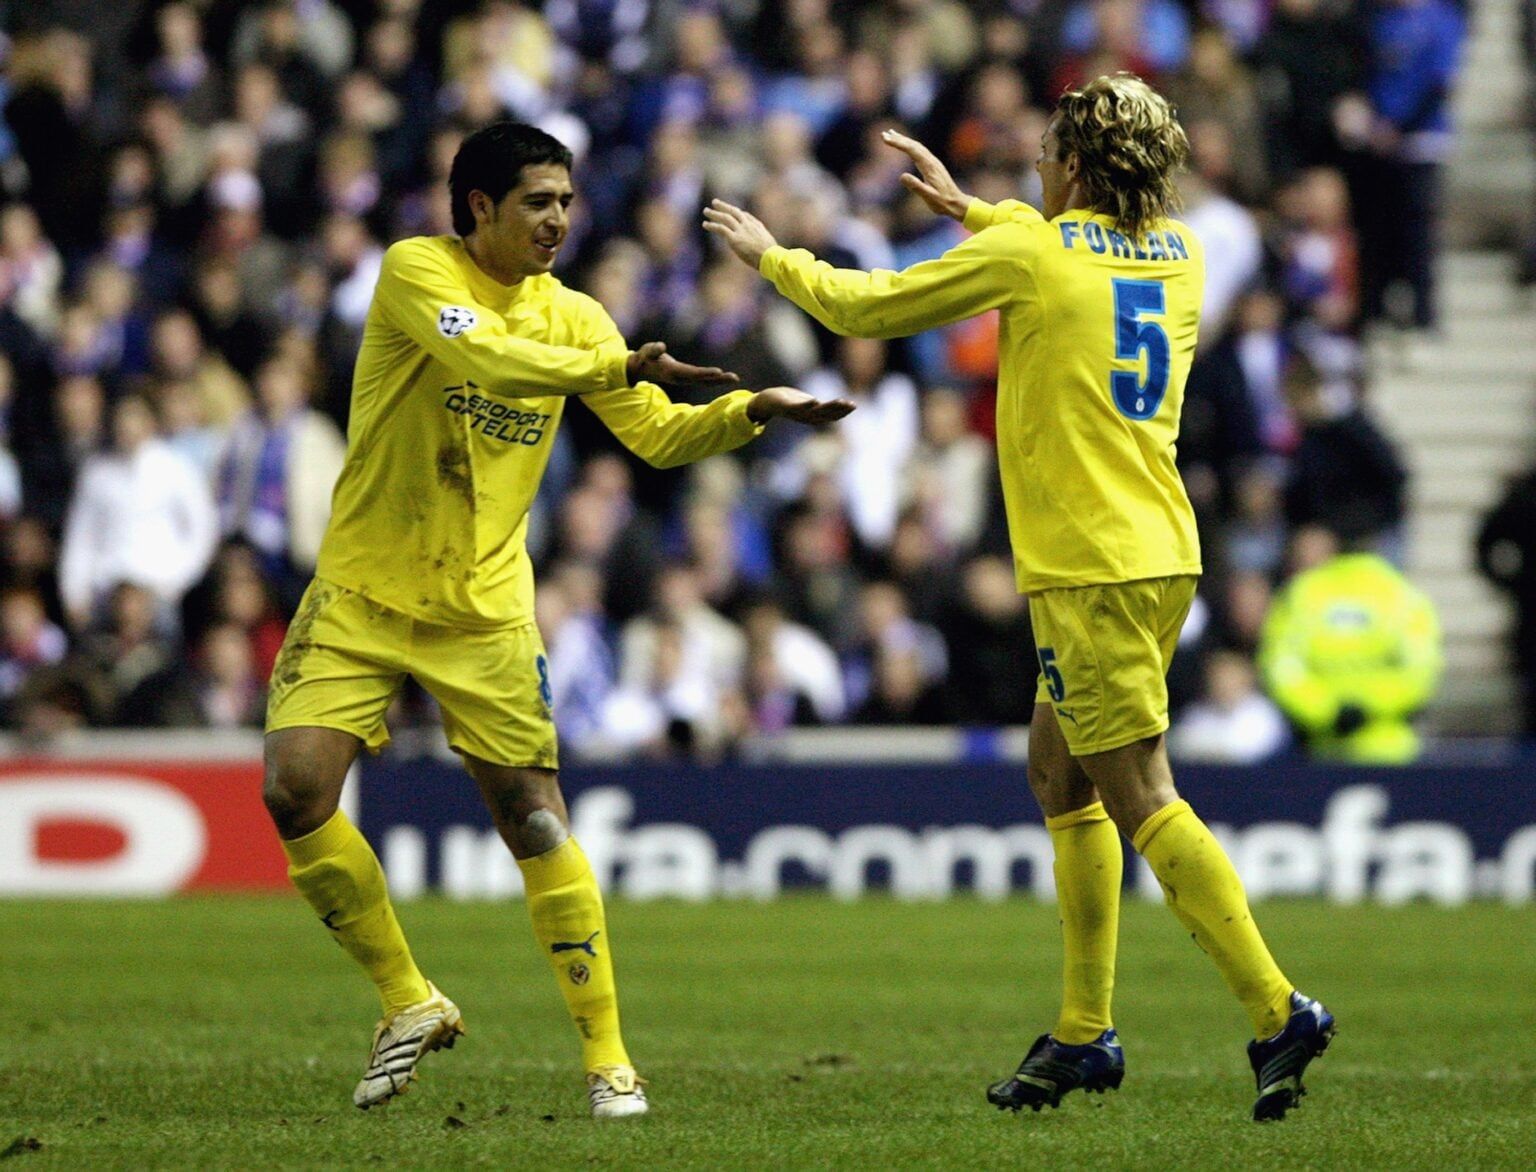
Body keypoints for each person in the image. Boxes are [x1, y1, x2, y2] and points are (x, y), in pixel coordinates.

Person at [705, 73, 1333, 1122]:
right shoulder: (1182, 255)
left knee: (1139, 790)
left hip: (1089, 563)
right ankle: (1085, 1031)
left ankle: (1277, 1009)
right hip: (1156, 546)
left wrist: (771, 255)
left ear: (1075, 167)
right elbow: (1061, 252)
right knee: (1059, 767)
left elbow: (870, 303)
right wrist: (976, 210)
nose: (1033, 165)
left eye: (1046, 151)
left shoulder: (1032, 252)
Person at [261, 122, 852, 1119]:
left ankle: (610, 1060)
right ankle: (409, 999)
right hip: (362, 589)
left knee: (533, 817)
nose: (559, 220)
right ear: (480, 206)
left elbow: (656, 437)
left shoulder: (578, 317)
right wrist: (619, 369)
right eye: (539, 201)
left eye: (568, 202)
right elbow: (490, 363)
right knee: (291, 789)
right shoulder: (415, 271)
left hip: (485, 607)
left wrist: (751, 411)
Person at [1259, 536, 1442, 763]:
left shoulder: (1300, 594)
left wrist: (1328, 712)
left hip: (1320, 749)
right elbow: (1419, 671)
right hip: (1392, 751)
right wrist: (1369, 707)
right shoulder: (1403, 594)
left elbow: (1283, 671)